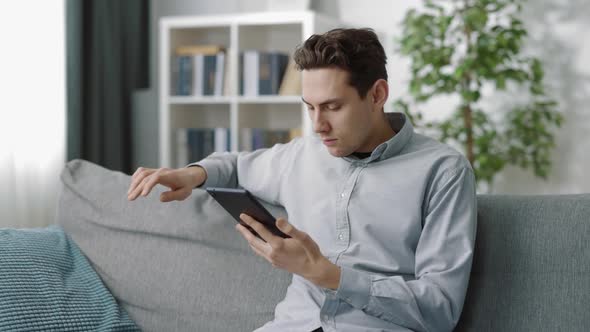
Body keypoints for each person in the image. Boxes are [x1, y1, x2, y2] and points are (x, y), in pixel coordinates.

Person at [127, 28, 477, 332]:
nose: (318, 125)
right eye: (310, 107)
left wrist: (329, 275)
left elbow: (440, 309)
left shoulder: (443, 172)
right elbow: (234, 166)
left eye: (333, 107)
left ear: (377, 95)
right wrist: (192, 174)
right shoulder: (300, 156)